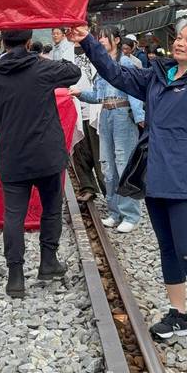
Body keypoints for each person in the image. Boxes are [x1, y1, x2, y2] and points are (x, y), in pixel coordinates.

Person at [68, 0, 187, 369]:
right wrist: (87, 41)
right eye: (179, 36)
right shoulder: (157, 78)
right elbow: (114, 72)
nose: (180, 42)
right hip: (156, 177)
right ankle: (178, 316)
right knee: (167, 250)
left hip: (186, 179)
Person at [0, 29, 81, 299]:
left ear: (2, 43)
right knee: (51, 209)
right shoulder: (42, 68)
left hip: (12, 156)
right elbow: (73, 72)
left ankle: (15, 277)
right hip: (47, 155)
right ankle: (48, 262)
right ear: (28, 43)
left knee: (14, 215)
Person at [71, 28, 144, 231]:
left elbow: (135, 92)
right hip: (105, 114)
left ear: (117, 40)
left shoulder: (127, 63)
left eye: (105, 36)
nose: (101, 40)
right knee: (107, 167)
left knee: (123, 164)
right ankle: (114, 212)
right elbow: (97, 95)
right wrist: (79, 93)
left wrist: (140, 118)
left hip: (122, 114)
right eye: (99, 37)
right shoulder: (102, 67)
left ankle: (130, 215)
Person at [71, 47, 106, 203]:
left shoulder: (97, 54)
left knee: (99, 153)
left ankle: (108, 191)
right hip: (75, 109)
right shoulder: (65, 53)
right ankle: (87, 187)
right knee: (78, 151)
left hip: (95, 110)